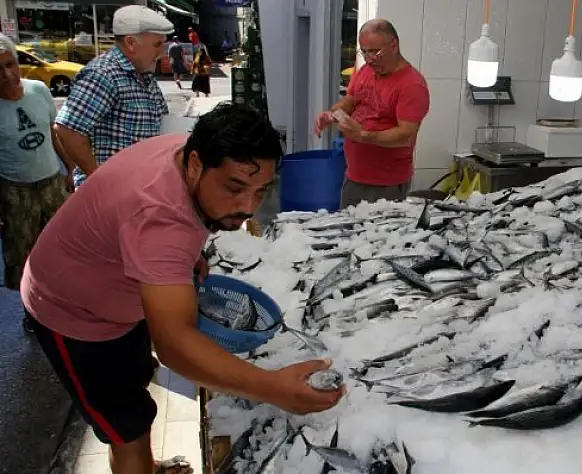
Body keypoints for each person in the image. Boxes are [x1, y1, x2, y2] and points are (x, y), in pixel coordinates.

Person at [21, 103, 344, 474]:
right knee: (126, 429)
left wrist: (186, 255)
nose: (248, 207)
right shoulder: (159, 222)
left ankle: (144, 463)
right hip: (74, 314)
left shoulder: (189, 151)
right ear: (194, 165)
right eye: (234, 188)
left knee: (134, 396)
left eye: (261, 191)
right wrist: (273, 388)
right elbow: (174, 346)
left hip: (119, 293)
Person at [314, 19, 430, 209]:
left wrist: (362, 135)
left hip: (386, 184)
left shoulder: (412, 85)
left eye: (375, 52)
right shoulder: (365, 71)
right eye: (364, 52)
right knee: (347, 227)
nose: (369, 59)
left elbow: (405, 136)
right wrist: (332, 114)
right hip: (354, 176)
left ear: (394, 45)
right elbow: (350, 101)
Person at [54, 5, 173, 188]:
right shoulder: (103, 74)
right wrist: (99, 179)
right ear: (131, 43)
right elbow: (68, 129)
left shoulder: (143, 73)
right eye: (157, 45)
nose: (162, 52)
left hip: (138, 186)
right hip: (111, 191)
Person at [0, 33, 73, 332]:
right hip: (15, 191)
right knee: (23, 255)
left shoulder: (39, 90)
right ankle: (32, 311)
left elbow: (53, 133)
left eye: (10, 64)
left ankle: (62, 304)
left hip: (52, 184)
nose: (7, 74)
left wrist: (70, 168)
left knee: (63, 247)